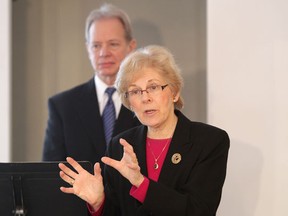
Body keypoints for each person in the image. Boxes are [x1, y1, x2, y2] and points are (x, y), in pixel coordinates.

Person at [58, 45, 230, 216]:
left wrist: (140, 183)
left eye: (153, 87)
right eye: (135, 91)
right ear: (130, 103)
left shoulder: (209, 141)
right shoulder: (119, 147)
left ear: (174, 93)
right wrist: (98, 203)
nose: (145, 98)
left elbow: (198, 211)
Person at [42, 3, 140, 166]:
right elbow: (50, 176)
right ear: (88, 49)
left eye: (113, 44)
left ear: (131, 47)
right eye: (96, 45)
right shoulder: (62, 106)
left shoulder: (146, 100)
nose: (103, 53)